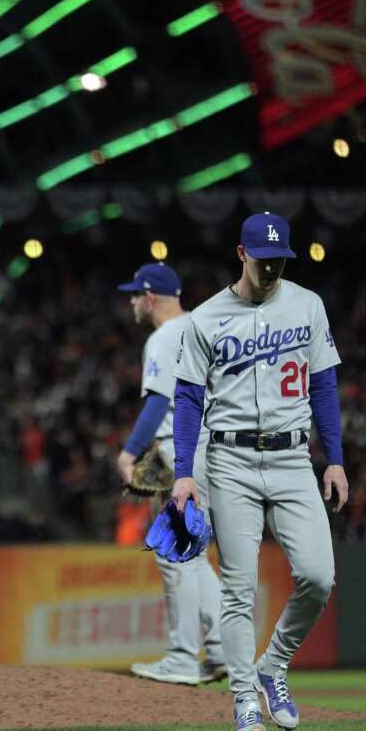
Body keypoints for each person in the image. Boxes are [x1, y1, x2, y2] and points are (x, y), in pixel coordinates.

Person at [172, 213, 348, 731]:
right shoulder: (205, 318)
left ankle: (273, 664)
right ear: (241, 253)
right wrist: (184, 473)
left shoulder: (307, 304)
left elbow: (325, 385)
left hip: (294, 458)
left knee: (319, 577)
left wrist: (334, 457)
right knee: (239, 590)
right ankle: (244, 698)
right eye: (263, 257)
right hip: (230, 461)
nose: (272, 267)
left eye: (280, 259)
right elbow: (186, 397)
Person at [113, 262, 225, 686]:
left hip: (185, 453)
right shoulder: (202, 327)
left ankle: (181, 657)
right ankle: (222, 651)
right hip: (213, 450)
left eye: (134, 294)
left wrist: (129, 451)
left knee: (174, 555)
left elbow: (159, 403)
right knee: (192, 558)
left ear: (150, 297)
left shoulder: (165, 336)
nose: (131, 302)